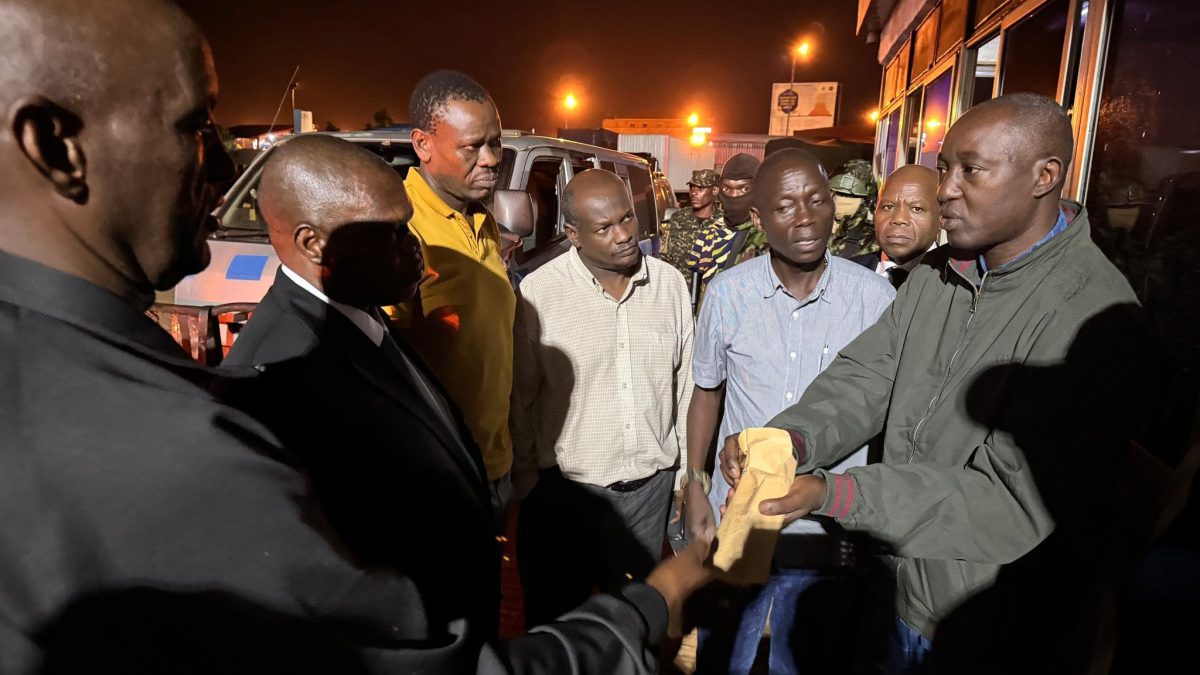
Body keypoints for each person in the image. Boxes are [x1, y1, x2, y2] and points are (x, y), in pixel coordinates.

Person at [0, 2, 712, 671]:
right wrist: (646, 607)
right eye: (193, 128)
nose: (221, 173)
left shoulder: (368, 308)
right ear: (54, 145)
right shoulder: (177, 438)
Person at [717, 93, 1149, 673]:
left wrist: (837, 494)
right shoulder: (939, 274)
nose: (945, 189)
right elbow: (866, 374)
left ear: (1045, 176)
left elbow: (1010, 502)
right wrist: (791, 440)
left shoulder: (1092, 316)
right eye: (945, 168)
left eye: (971, 170)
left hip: (982, 621)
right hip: (895, 586)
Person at [221, 134, 502, 637]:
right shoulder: (279, 376)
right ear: (314, 243)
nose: (412, 247)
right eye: (390, 233)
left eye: (408, 226)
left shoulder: (360, 309)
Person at [683, 149, 895, 674]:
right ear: (758, 219)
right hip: (739, 521)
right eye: (785, 206)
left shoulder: (875, 299)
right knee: (720, 659)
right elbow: (707, 392)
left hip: (828, 531)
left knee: (808, 662)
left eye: (817, 200)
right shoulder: (728, 294)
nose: (805, 217)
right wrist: (693, 482)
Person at [511, 169, 695, 628]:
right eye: (604, 227)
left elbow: (686, 385)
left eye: (628, 218)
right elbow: (521, 395)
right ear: (573, 234)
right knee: (557, 627)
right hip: (564, 496)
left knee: (636, 627)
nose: (624, 235)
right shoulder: (539, 294)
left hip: (648, 497)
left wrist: (686, 476)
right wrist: (530, 479)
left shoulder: (669, 285)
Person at [397, 70, 515, 527]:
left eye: (496, 143)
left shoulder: (480, 220)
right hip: (436, 480)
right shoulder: (401, 228)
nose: (490, 160)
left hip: (493, 467)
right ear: (423, 145)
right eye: (472, 147)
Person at [853, 165, 941, 288]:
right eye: (888, 207)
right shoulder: (846, 275)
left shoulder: (957, 282)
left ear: (942, 216)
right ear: (875, 212)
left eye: (916, 209)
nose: (899, 219)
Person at [662, 169, 724, 277]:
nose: (694, 193)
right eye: (692, 188)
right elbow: (665, 257)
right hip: (679, 288)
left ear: (714, 190)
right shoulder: (678, 219)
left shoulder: (723, 223)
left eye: (700, 188)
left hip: (708, 290)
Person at [717, 153, 767, 264]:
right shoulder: (711, 231)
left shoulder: (768, 237)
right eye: (726, 188)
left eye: (745, 189)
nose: (734, 195)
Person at [827, 159, 881, 261]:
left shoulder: (873, 239)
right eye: (838, 193)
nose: (843, 200)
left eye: (852, 196)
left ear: (864, 201)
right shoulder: (814, 227)